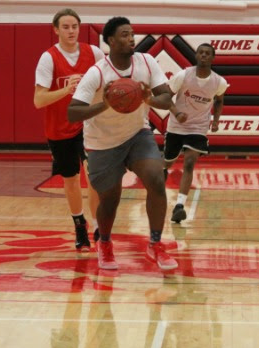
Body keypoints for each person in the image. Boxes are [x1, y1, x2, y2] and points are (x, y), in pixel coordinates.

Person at [68, 16, 177, 271]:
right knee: (110, 199)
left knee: (156, 180)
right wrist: (104, 105)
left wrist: (147, 97)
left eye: (132, 34)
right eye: (125, 34)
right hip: (102, 142)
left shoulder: (147, 62)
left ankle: (156, 243)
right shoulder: (97, 73)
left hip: (137, 134)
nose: (132, 38)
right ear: (111, 41)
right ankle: (104, 243)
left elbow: (166, 97)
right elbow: (73, 112)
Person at [34, 9, 102, 250]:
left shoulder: (93, 53)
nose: (71, 31)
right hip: (59, 127)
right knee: (71, 180)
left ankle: (97, 226)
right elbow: (38, 100)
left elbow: (106, 83)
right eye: (66, 27)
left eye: (74, 26)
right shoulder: (48, 58)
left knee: (94, 176)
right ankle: (79, 224)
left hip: (88, 124)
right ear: (56, 29)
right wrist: (65, 90)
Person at [163, 43, 228, 223]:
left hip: (198, 128)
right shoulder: (183, 75)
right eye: (201, 53)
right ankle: (160, 177)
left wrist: (215, 121)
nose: (204, 56)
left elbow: (219, 101)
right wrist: (176, 113)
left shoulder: (219, 82)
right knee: (167, 163)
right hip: (177, 126)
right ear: (196, 56)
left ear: (213, 58)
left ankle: (180, 206)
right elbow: (166, 96)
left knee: (190, 162)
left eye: (208, 53)